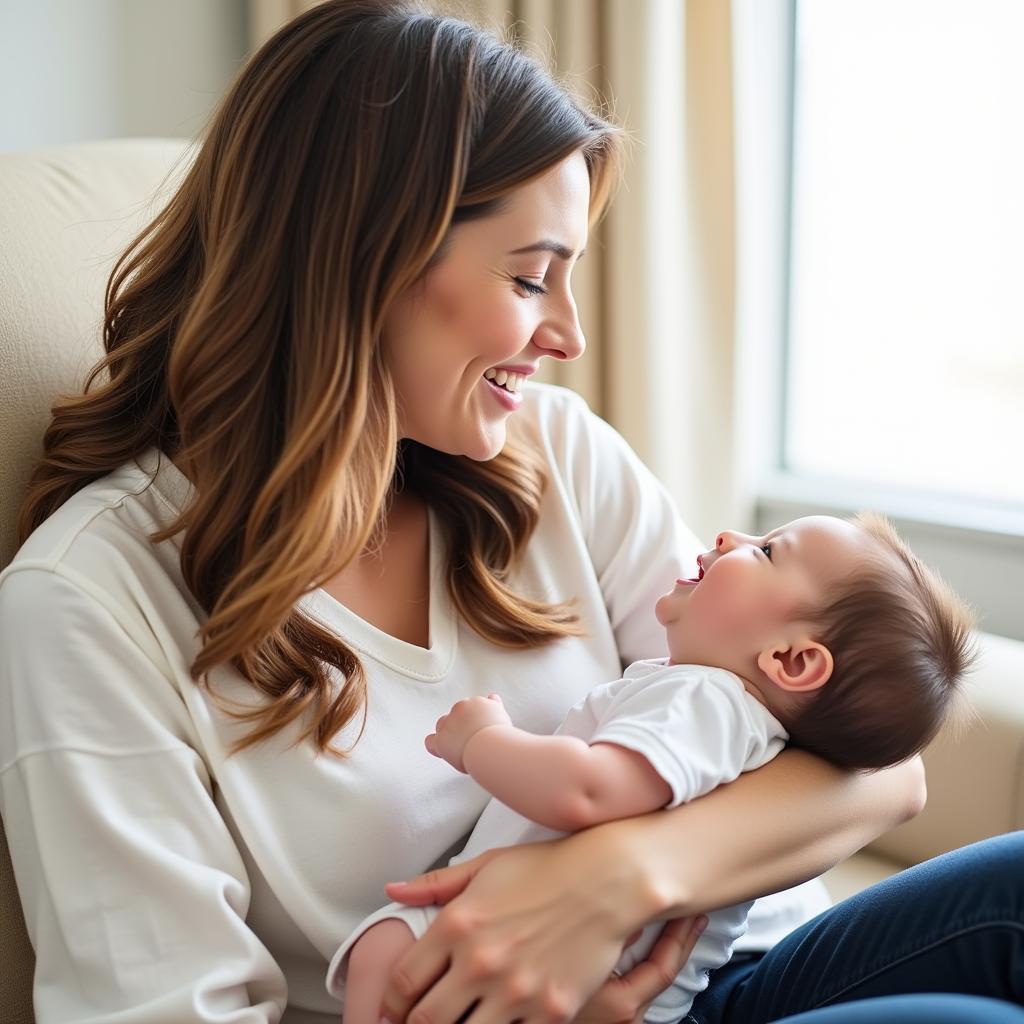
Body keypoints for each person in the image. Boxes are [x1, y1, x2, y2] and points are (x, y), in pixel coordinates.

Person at [0, 2, 1020, 1023]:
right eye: (533, 277)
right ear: (361, 259)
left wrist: (614, 881)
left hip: (752, 963)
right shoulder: (92, 602)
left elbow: (883, 773)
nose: (569, 335)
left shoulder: (554, 455)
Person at [331, 512, 977, 1024]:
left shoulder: (706, 699)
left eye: (768, 551)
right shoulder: (726, 712)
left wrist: (484, 742)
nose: (729, 535)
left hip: (581, 970)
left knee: (381, 952)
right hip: (613, 980)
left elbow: (586, 789)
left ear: (792, 660)